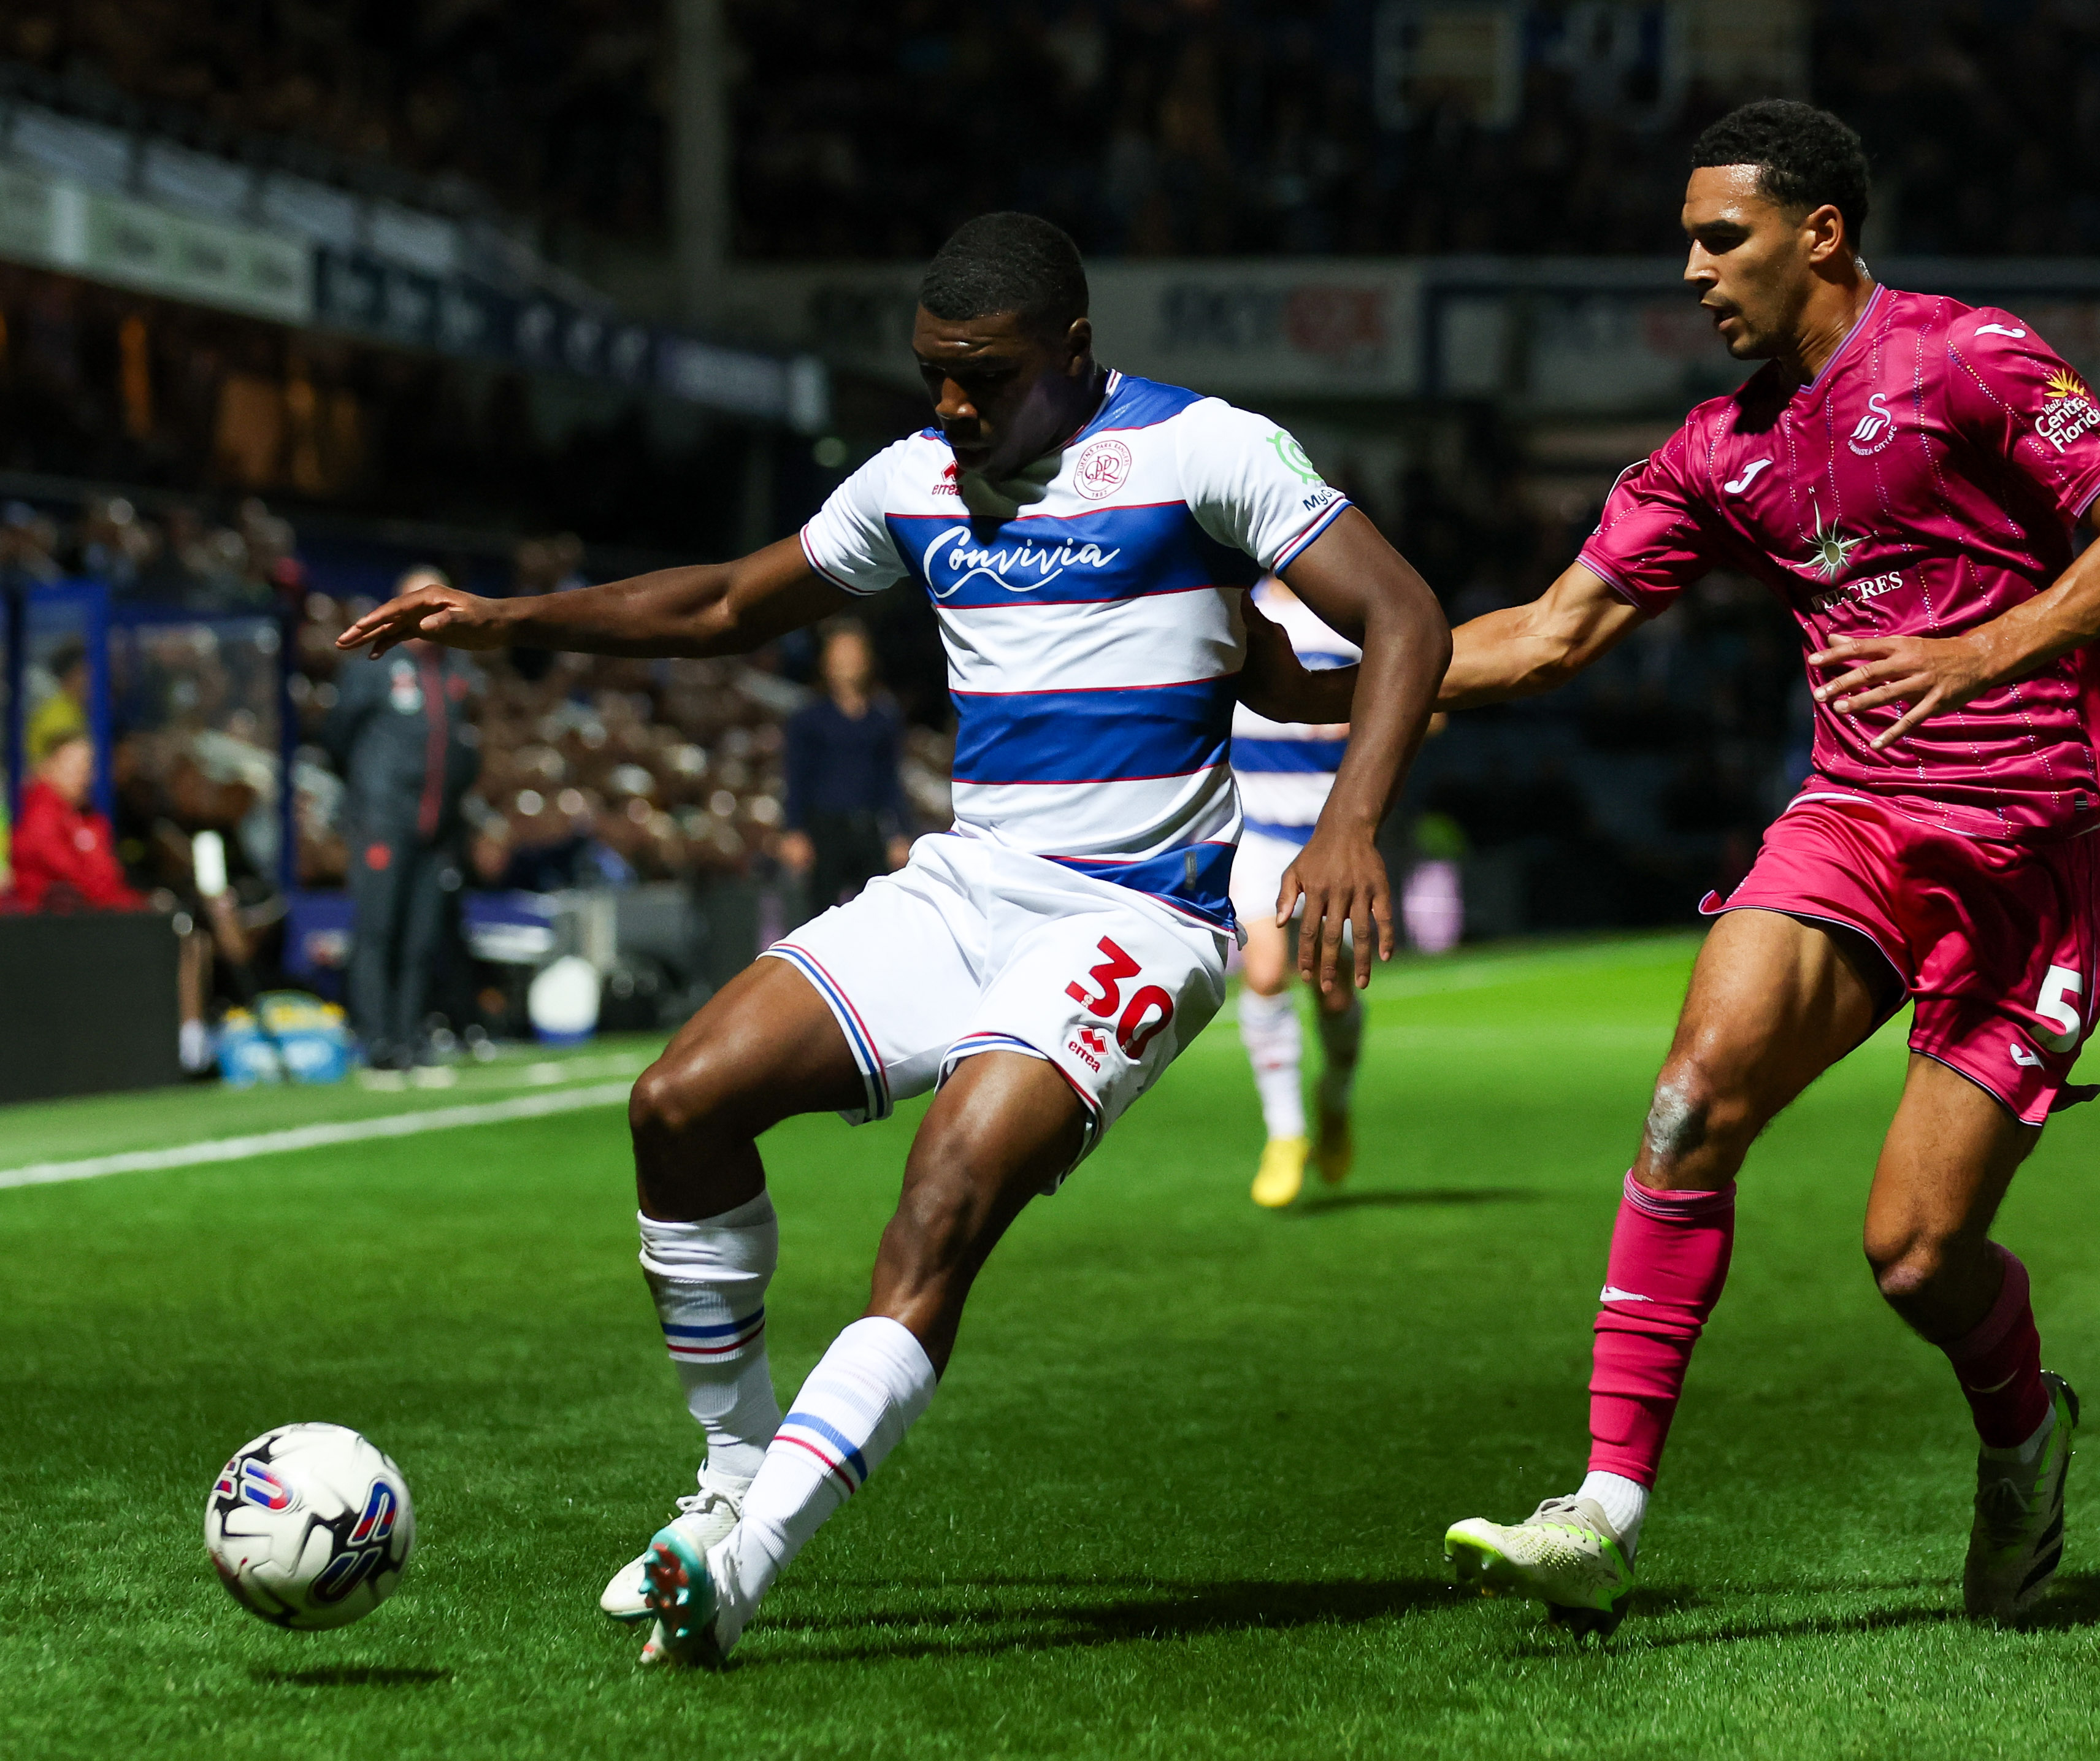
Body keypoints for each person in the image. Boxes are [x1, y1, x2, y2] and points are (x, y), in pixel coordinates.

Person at [335, 210, 1446, 1668]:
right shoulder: (918, 481)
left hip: (1134, 919)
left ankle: (742, 1572)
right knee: (677, 1103)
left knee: (938, 1205)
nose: (951, 405)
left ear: (1071, 352)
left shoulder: (1207, 452)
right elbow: (732, 601)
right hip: (967, 889)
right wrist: (513, 618)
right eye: (933, 374)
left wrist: (1354, 826)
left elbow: (1405, 617)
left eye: (980, 375)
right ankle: (729, 1483)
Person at [1387, 101, 2100, 1632]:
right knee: (1690, 1100)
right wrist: (1309, 681)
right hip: (1855, 823)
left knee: (1913, 1257)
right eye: (1684, 240)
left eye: (1720, 237)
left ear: (1819, 233)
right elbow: (1548, 636)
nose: (1691, 269)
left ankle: (2027, 1438)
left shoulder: (1972, 355)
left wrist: (1986, 648)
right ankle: (1605, 1510)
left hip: (2033, 852)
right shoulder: (1716, 449)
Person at [1229, 575, 1370, 1208]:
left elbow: (1429, 700)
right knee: (1264, 971)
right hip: (1253, 827)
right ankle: (1284, 1133)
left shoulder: (1348, 616)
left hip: (1329, 834)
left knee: (1332, 988)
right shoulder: (1240, 609)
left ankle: (1334, 1100)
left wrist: (1359, 718)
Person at [318, 570, 483, 1088]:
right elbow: (338, 737)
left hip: (438, 827)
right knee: (378, 931)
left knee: (420, 938)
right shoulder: (376, 662)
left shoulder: (455, 667)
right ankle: (379, 1047)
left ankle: (411, 1041)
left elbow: (463, 745)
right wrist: (373, 796)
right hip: (384, 822)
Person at [780, 620, 913, 910]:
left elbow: (890, 780)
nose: (847, 664)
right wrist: (794, 831)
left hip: (868, 826)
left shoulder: (883, 719)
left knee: (875, 908)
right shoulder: (808, 719)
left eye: (853, 655)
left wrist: (900, 833)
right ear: (825, 662)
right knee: (821, 911)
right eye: (839, 656)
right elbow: (797, 777)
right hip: (825, 829)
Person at [2, 730, 142, 911]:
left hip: (87, 920)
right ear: (48, 766)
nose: (84, 776)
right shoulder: (39, 815)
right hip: (52, 926)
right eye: (75, 767)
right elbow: (75, 876)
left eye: (87, 767)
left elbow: (109, 876)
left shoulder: (86, 817)